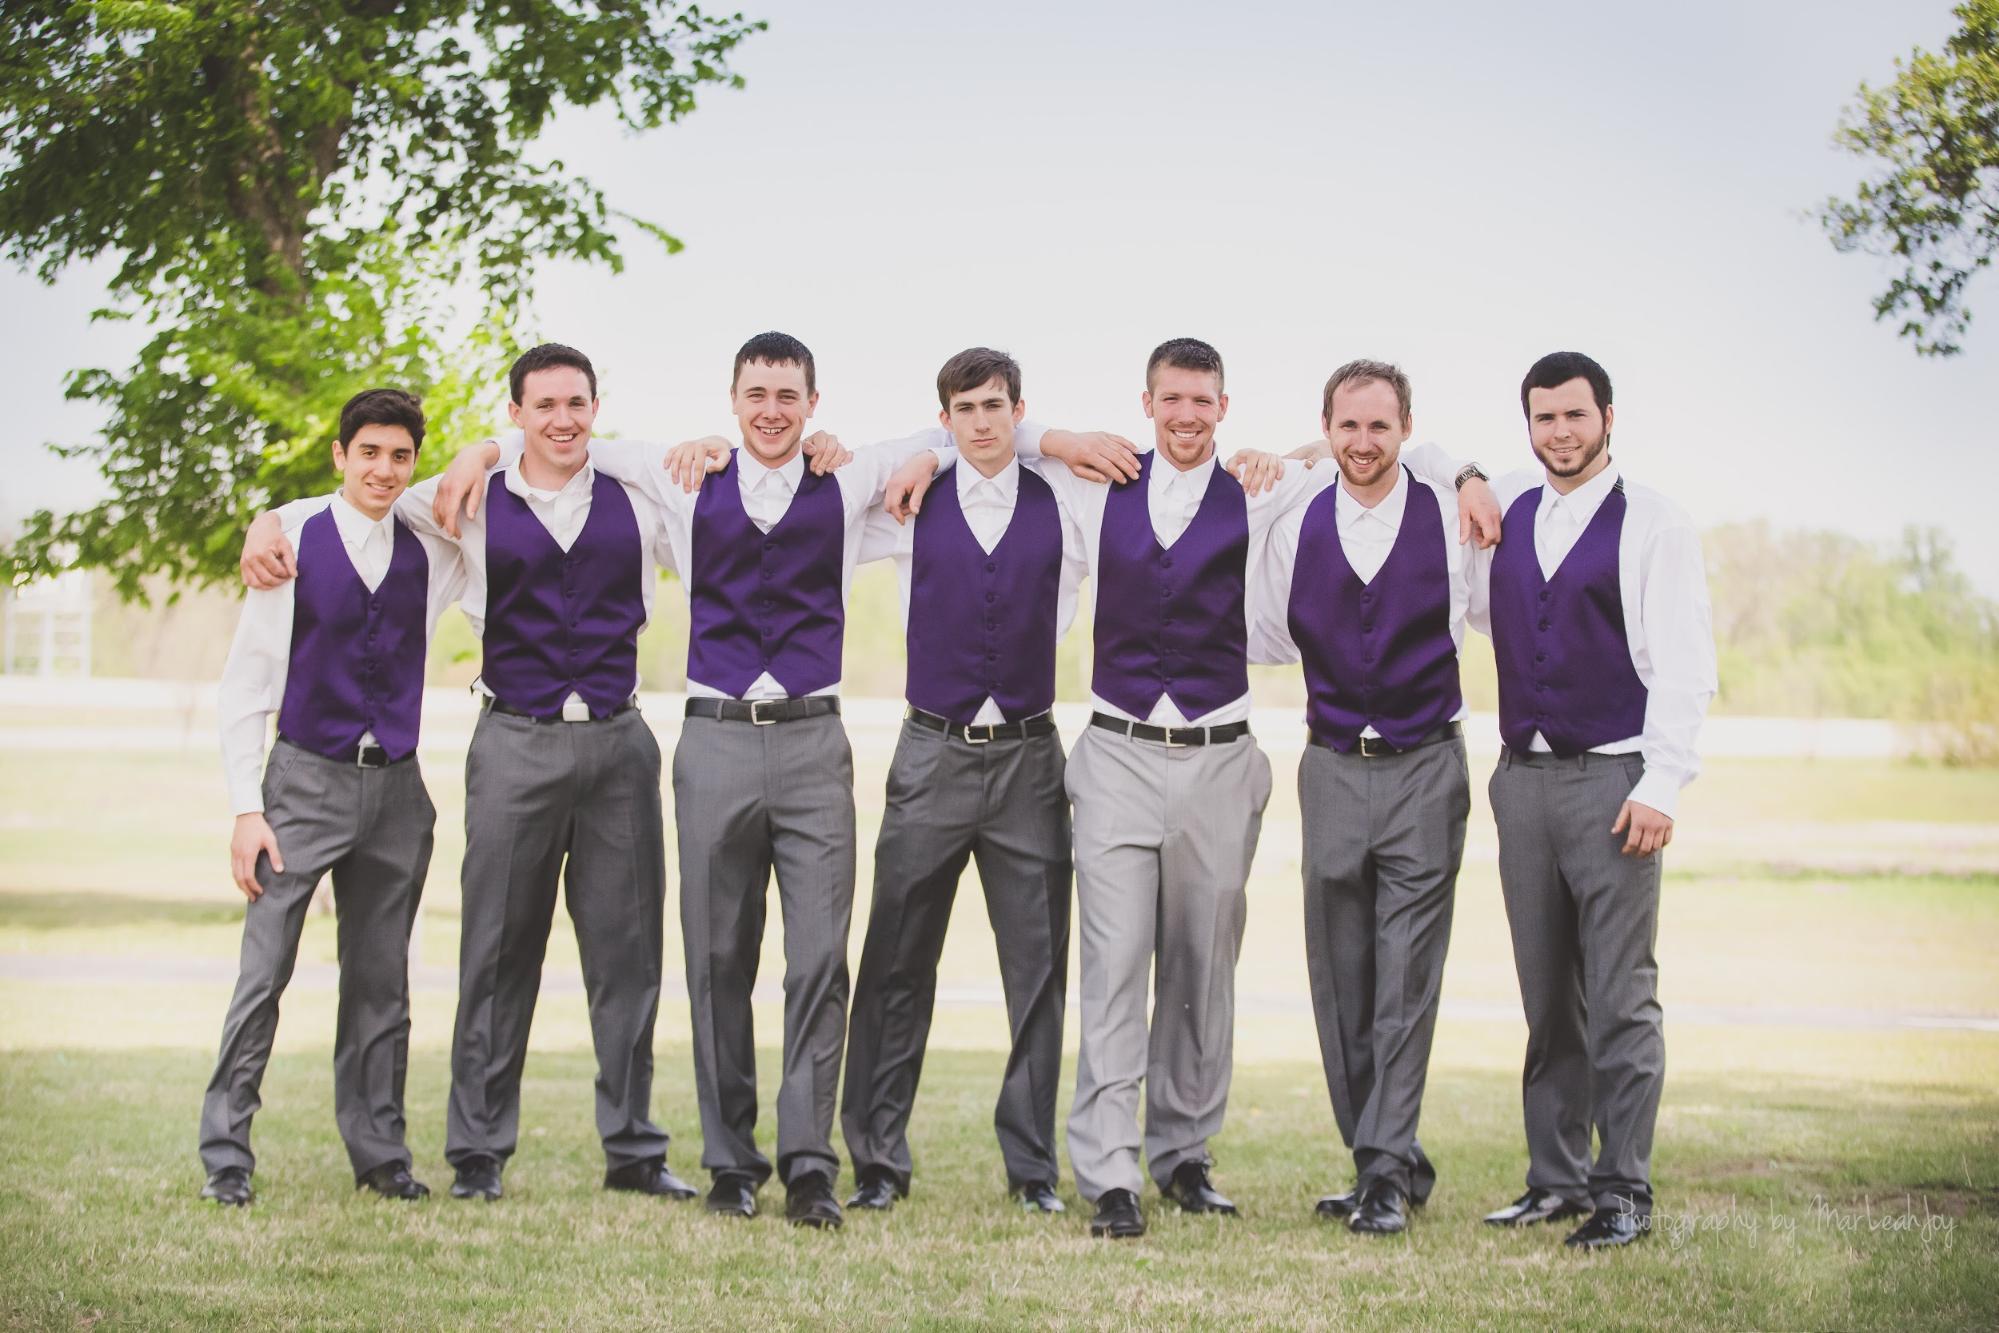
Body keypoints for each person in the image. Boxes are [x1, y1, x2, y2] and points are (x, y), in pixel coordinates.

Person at [902, 338, 1498, 1239]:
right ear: (1147, 404)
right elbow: (989, 438)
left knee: (1201, 967)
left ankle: (1182, 1153)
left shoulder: (1263, 487)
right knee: (1111, 964)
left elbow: (1371, 455)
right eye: (1170, 399)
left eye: (1202, 401)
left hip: (1220, 757)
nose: (1186, 416)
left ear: (1224, 407)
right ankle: (1110, 1170)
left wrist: (1468, 474)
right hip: (1117, 752)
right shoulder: (1094, 481)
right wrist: (1008, 442)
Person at [437, 332, 960, 1228]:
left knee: (817, 960)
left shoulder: (847, 479)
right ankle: (729, 1161)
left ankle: (808, 1164)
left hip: (813, 740)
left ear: (813, 402)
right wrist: (479, 448)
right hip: (712, 740)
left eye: (788, 395)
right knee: (717, 960)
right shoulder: (680, 477)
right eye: (756, 393)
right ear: (731, 399)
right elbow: (567, 442)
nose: (772, 410)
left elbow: (967, 433)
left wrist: (930, 455)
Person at [242, 344, 697, 1205]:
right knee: (495, 950)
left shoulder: (638, 493)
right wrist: (267, 519)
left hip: (619, 742)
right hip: (513, 742)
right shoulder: (466, 497)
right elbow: (357, 502)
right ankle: (479, 1149)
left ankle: (634, 1147)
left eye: (576, 403)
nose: (562, 419)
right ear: (515, 413)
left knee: (629, 953)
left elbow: (728, 490)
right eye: (543, 405)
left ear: (595, 409)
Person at [838, 348, 1092, 1216]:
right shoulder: (908, 500)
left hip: (1029, 757)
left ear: (1018, 409)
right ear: (944, 417)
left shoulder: (1066, 499)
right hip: (931, 752)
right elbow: (846, 473)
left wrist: (1050, 440)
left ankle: (1032, 1167)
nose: (982, 421)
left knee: (1038, 967)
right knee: (896, 960)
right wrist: (926, 452)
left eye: (995, 406)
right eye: (964, 409)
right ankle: (877, 1157)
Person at [1472, 351, 1716, 1249]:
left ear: (1607, 418)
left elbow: (1685, 665)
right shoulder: (1506, 507)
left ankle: (1623, 1189)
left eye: (1575, 415)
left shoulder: (1654, 522)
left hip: (1615, 784)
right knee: (1547, 999)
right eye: (1543, 417)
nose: (1560, 432)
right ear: (1528, 426)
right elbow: (1422, 461)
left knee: (1620, 996)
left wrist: (1662, 783)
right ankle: (1555, 1178)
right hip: (1521, 782)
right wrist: (1462, 476)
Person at [201, 388, 465, 1206]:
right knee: (263, 974)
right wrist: (247, 807)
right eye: (369, 452)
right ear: (340, 456)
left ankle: (381, 1153)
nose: (384, 469)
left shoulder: (432, 545)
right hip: (302, 782)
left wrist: (483, 451)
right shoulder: (291, 543)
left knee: (382, 982)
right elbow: (245, 685)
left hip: (397, 788)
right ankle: (226, 1154)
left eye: (400, 455)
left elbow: (497, 472)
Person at [1249, 360, 1472, 1236]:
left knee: (1405, 975)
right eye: (1348, 425)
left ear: (1406, 428)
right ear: (1326, 428)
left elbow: (1472, 471)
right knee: (1340, 977)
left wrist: (1463, 470)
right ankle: (1383, 1158)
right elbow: (1266, 633)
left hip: (1425, 764)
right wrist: (1287, 464)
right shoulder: (1297, 513)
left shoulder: (1449, 510)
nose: (1363, 441)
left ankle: (1381, 1173)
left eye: (1380, 425)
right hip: (1332, 763)